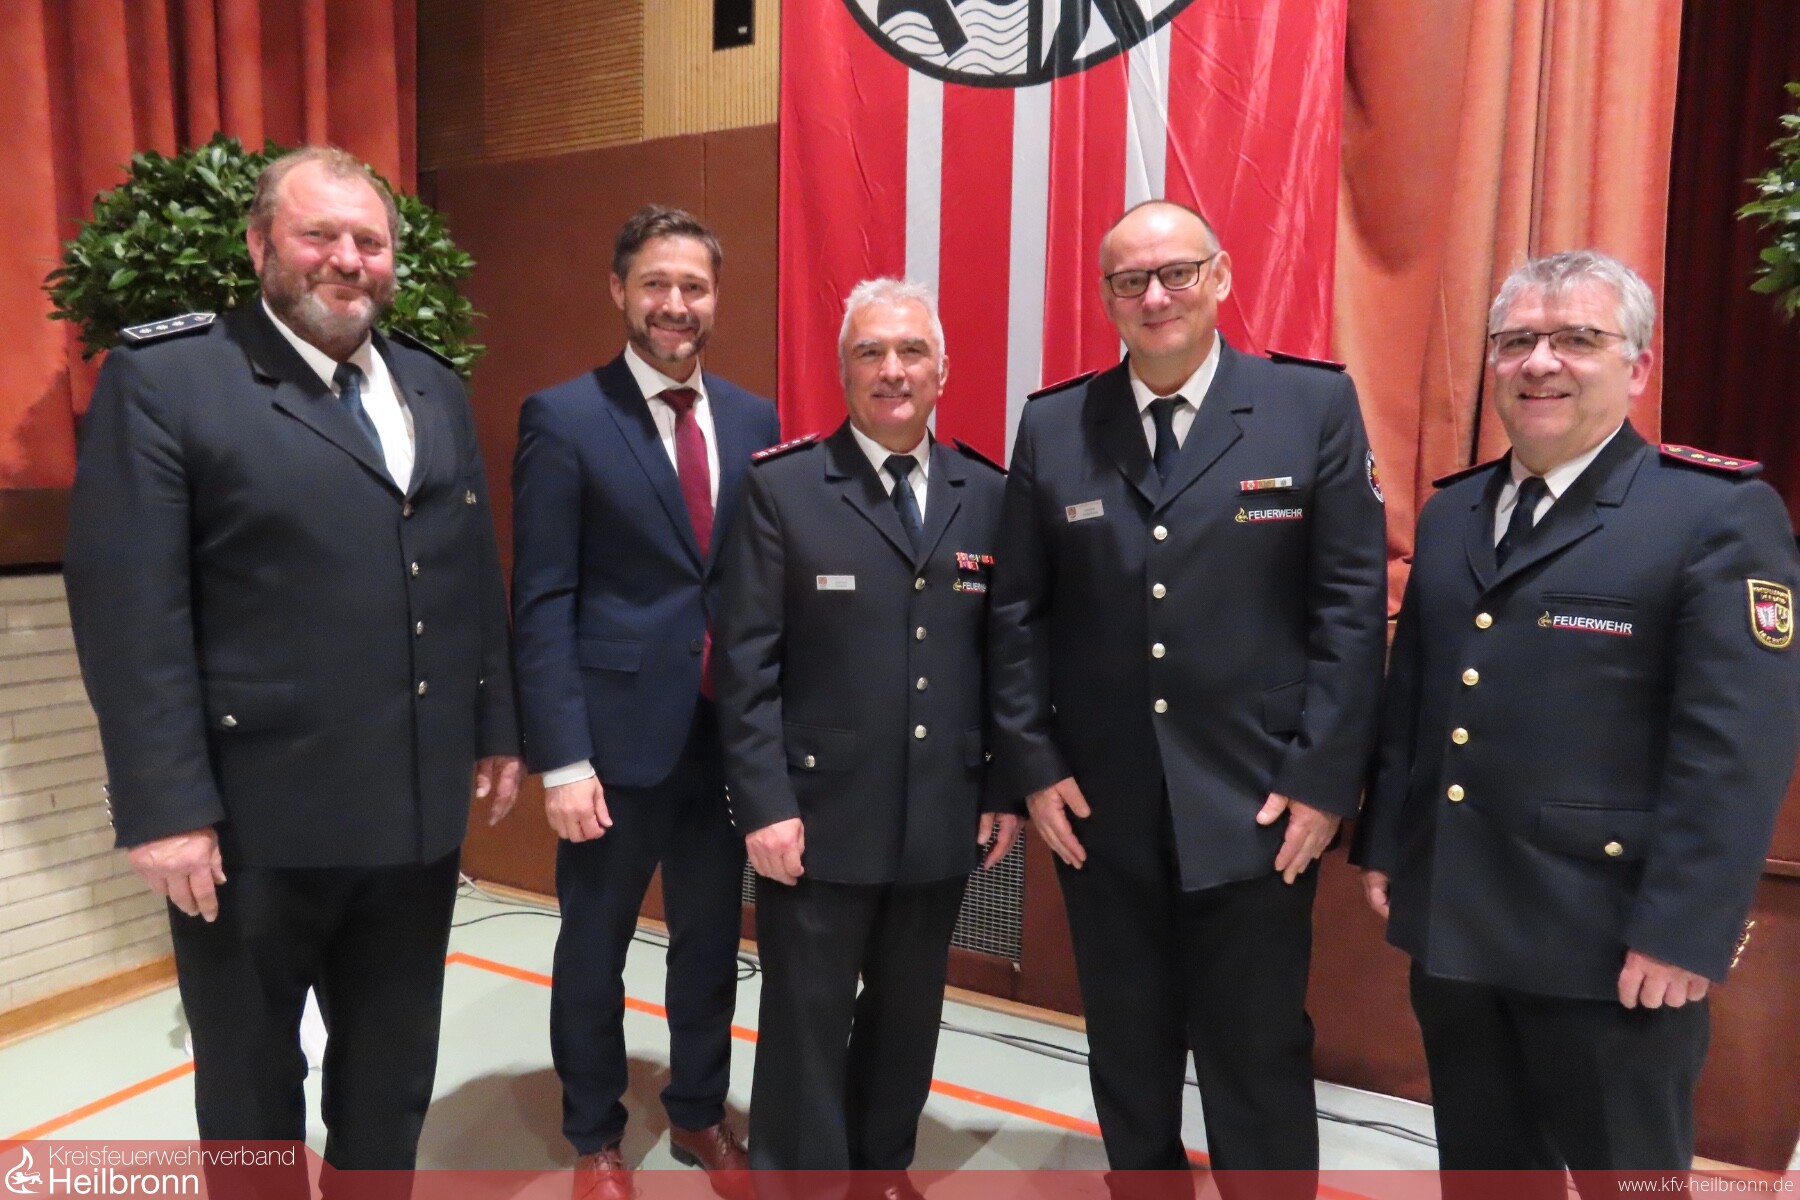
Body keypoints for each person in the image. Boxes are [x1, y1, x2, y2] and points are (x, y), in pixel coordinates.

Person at [64, 146, 522, 1184]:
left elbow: (466, 565)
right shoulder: (169, 379)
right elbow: (129, 612)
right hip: (252, 826)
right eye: (320, 235)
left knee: (392, 1074)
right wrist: (163, 807)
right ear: (261, 244)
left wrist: (495, 721)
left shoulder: (430, 383)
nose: (348, 260)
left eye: (370, 241)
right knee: (250, 1087)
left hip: (411, 815)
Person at [1352, 250, 1800, 1180]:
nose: (1541, 362)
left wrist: (1686, 929)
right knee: (1485, 1175)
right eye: (1517, 340)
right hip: (1458, 923)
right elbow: (1418, 696)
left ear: (1637, 367)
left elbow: (1737, 750)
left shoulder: (1712, 515)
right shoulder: (1452, 512)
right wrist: (1390, 840)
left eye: (1577, 339)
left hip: (1611, 947)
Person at [987, 200, 1389, 1175]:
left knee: (1257, 1050)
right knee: (1127, 1048)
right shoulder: (1055, 425)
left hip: (1259, 801)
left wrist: (1324, 780)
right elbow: (1016, 613)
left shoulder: (1309, 407)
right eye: (1131, 281)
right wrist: (1033, 766)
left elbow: (1349, 607)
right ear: (1107, 299)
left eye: (1177, 273)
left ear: (1222, 276)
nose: (1156, 296)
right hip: (1102, 805)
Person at [715, 278, 1021, 1176]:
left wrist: (1002, 786)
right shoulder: (784, 488)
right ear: (843, 370)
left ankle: (882, 1167)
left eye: (911, 351)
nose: (893, 370)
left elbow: (1008, 657)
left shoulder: (987, 493)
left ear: (942, 371)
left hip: (942, 809)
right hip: (815, 813)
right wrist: (764, 805)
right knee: (805, 1015)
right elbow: (746, 664)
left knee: (909, 1007)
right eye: (870, 352)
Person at [511, 205, 779, 1197]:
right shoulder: (564, 416)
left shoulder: (754, 421)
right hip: (611, 747)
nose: (675, 304)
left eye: (693, 287)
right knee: (595, 949)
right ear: (619, 290)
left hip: (722, 738)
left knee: (711, 945)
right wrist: (562, 760)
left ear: (715, 299)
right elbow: (542, 598)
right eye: (656, 283)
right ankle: (595, 1135)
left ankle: (700, 1111)